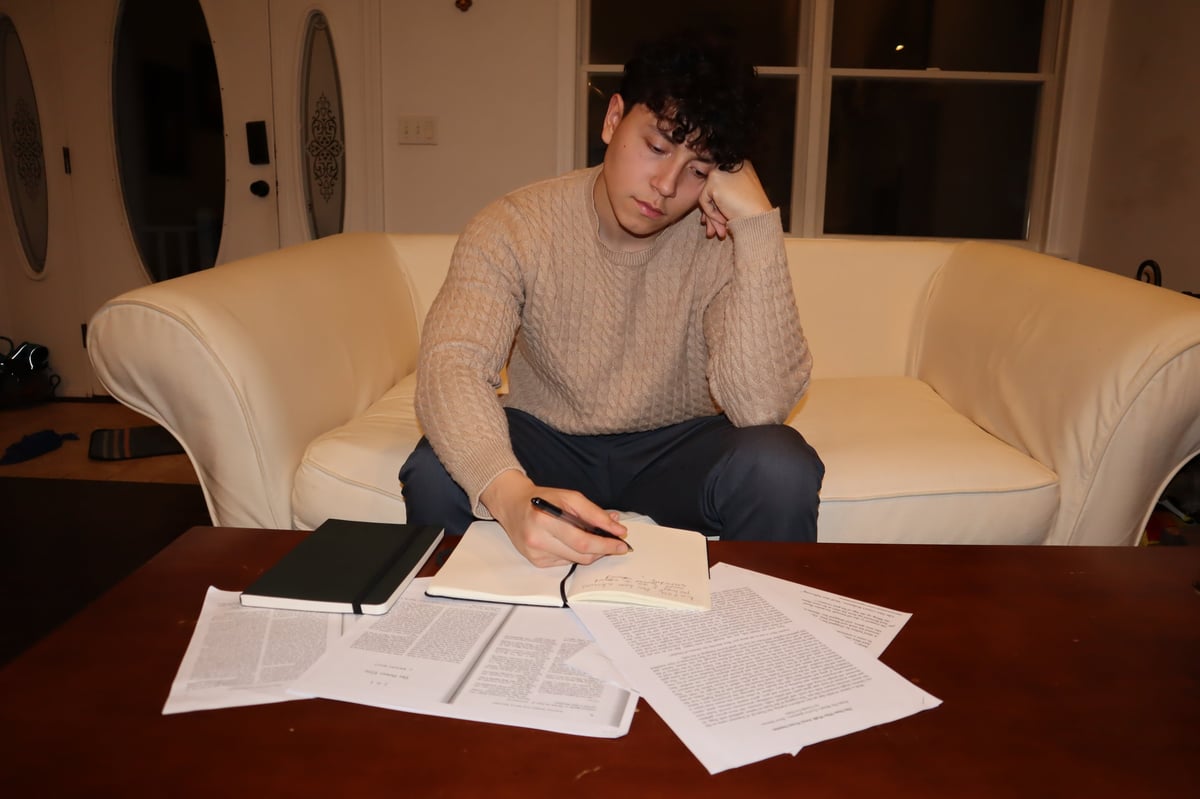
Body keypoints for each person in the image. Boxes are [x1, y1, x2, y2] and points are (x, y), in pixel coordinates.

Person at [400, 33, 823, 567]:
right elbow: (452, 364)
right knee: (435, 472)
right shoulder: (515, 224)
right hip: (547, 439)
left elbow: (760, 407)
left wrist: (758, 227)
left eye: (699, 169)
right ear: (612, 119)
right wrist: (509, 496)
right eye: (657, 147)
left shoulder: (722, 237)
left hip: (678, 447)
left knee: (779, 465)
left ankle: (760, 638)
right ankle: (470, 635)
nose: (667, 186)